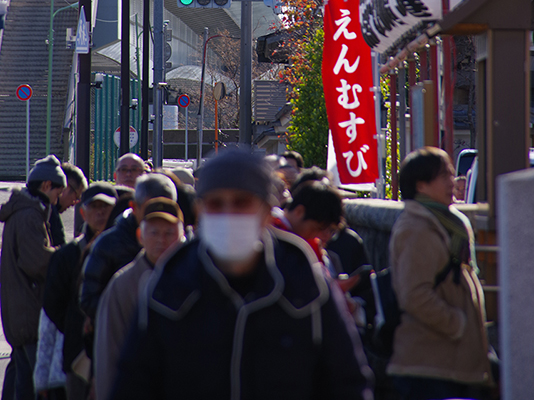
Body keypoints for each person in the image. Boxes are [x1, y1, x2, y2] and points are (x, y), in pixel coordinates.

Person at [109, 148, 373, 400]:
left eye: (241, 203)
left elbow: (348, 384)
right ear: (200, 211)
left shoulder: (306, 283)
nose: (228, 214)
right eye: (216, 203)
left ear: (266, 211)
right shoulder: (169, 283)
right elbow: (133, 384)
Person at [388, 147, 492, 400]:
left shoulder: (444, 221)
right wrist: (457, 323)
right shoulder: (416, 228)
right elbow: (414, 295)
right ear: (421, 185)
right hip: (427, 364)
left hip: (447, 362)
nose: (452, 182)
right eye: (444, 175)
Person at [94, 197, 183, 400]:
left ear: (182, 236)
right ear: (140, 236)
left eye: (169, 233)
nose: (161, 240)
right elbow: (108, 356)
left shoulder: (196, 281)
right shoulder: (122, 285)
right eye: (154, 232)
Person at [42, 182, 118, 400]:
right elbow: (52, 303)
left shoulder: (125, 253)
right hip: (77, 354)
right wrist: (75, 325)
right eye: (94, 207)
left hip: (116, 352)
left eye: (106, 207)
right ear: (83, 212)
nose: (100, 212)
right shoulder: (66, 256)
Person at [0, 155, 66, 400]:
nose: (58, 199)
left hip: (18, 311)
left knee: (22, 382)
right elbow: (36, 261)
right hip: (29, 312)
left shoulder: (23, 211)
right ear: (47, 185)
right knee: (35, 385)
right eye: (58, 192)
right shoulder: (30, 215)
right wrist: (66, 255)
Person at [80, 172, 177, 323]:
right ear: (134, 207)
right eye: (150, 209)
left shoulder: (183, 244)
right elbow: (89, 299)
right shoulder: (108, 244)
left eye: (167, 210)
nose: (158, 217)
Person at [49, 164, 88, 247]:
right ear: (66, 187)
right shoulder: (50, 213)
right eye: (76, 197)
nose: (74, 203)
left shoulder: (48, 210)